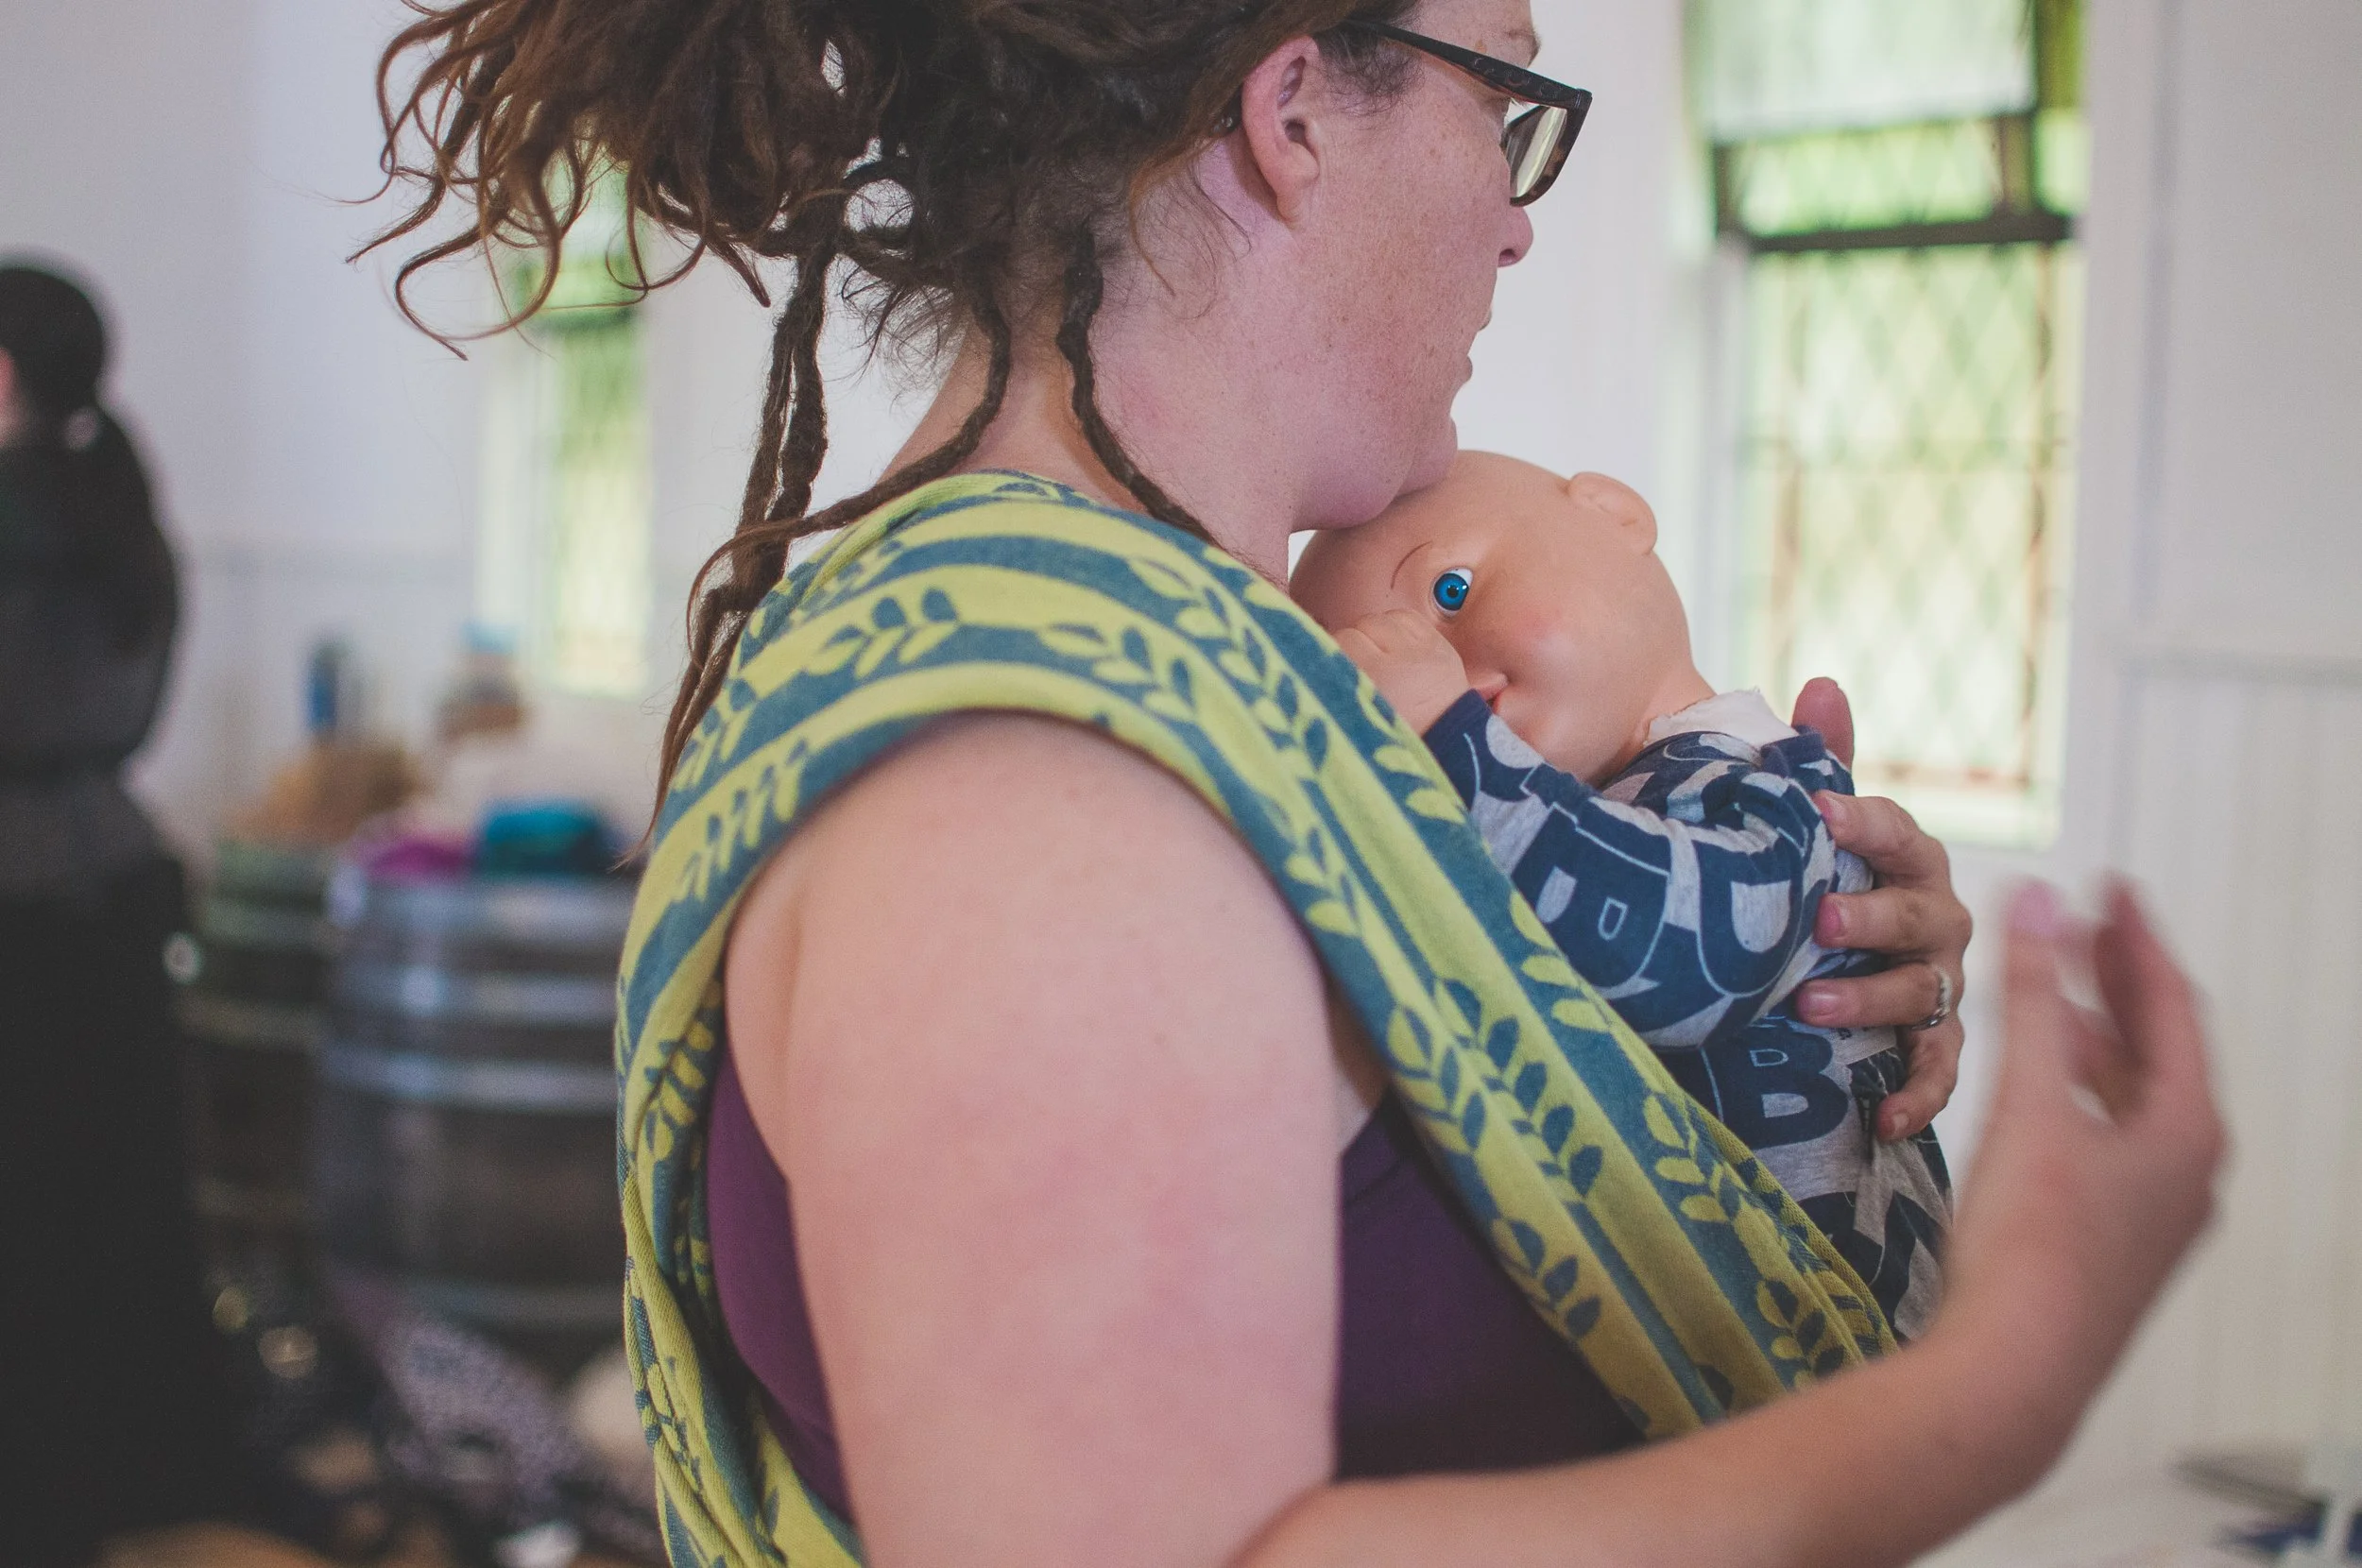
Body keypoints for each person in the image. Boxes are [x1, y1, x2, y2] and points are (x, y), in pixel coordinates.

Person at [372, 2, 2225, 1564]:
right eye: (1503, 103)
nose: (1515, 224)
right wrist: (2008, 1367)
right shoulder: (1044, 809)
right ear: (1291, 117)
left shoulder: (1183, 691)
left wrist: (1778, 983)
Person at [1292, 452, 1953, 1338]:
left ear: (1614, 513)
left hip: (1841, 1349)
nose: (1447, 674)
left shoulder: (1767, 786)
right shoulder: (1559, 822)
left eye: (1449, 591)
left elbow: (1696, 960)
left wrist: (1453, 742)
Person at [0, 263, 234, 1563]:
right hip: (116, 887)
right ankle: (115, 1477)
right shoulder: (118, 509)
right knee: (105, 1208)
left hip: (18, 905)